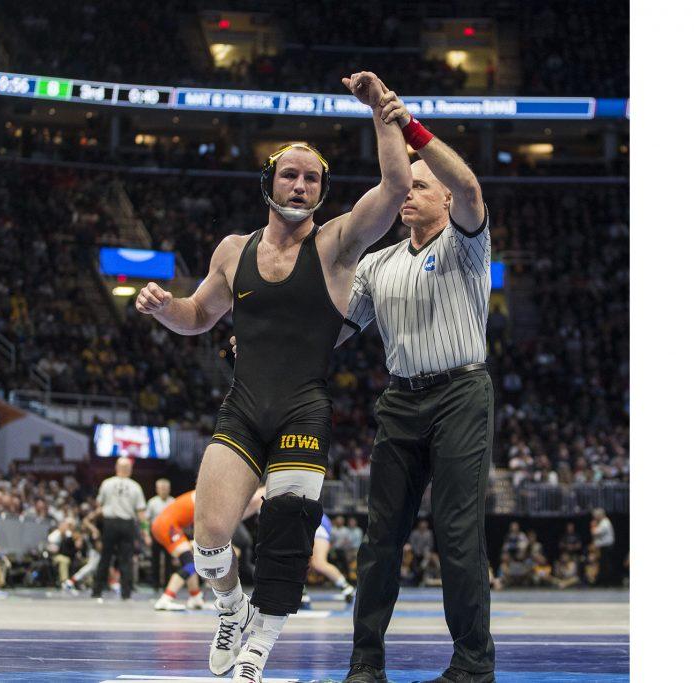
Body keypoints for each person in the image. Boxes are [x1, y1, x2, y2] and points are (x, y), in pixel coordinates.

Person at [136, 71, 410, 682]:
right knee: (209, 538)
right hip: (244, 406)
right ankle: (231, 610)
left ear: (321, 191)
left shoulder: (339, 243)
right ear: (269, 182)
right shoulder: (233, 250)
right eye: (291, 173)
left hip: (303, 410)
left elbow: (394, 187)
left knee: (287, 539)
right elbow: (199, 316)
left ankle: (258, 648)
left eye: (312, 177)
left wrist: (378, 111)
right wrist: (164, 309)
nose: (302, 184)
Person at [338, 90, 496, 683]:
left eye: (420, 187)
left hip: (460, 394)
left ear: (446, 199)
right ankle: (365, 661)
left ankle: (473, 667)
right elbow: (336, 331)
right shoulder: (378, 264)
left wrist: (409, 127)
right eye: (405, 187)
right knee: (381, 536)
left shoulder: (467, 243)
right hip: (402, 400)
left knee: (457, 531)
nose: (408, 193)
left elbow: (475, 189)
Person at [152, 488, 266, 611]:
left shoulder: (204, 495)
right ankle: (166, 598)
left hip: (166, 524)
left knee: (190, 561)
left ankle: (195, 597)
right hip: (167, 525)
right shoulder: (207, 498)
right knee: (189, 564)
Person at [92, 457, 150, 600]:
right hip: (127, 525)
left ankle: (97, 591)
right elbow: (141, 513)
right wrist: (146, 532)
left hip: (110, 524)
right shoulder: (135, 486)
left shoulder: (107, 483)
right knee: (126, 559)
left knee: (105, 558)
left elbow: (98, 506)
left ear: (116, 468)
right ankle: (126, 593)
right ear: (129, 470)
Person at [303, 514, 356, 607]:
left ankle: (346, 587)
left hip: (314, 520)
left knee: (318, 563)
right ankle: (301, 592)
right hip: (300, 522)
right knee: (298, 561)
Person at [147, 478, 176, 590]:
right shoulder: (152, 502)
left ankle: (167, 585)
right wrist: (146, 535)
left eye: (165, 488)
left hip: (169, 535)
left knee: (168, 561)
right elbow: (146, 520)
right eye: (161, 488)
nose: (163, 490)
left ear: (169, 489)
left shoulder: (173, 502)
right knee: (155, 560)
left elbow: (176, 520)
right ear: (157, 489)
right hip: (156, 535)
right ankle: (155, 584)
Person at [590, 508, 616, 585]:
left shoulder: (605, 523)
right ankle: (604, 581)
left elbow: (594, 532)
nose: (595, 518)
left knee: (606, 565)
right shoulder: (602, 523)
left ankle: (607, 582)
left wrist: (593, 525)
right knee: (603, 565)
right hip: (603, 547)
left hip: (606, 547)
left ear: (599, 515)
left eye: (595, 516)